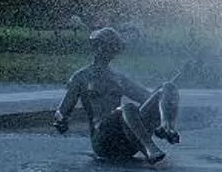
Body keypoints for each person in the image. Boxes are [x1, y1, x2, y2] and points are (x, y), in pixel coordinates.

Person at [54, 27, 182, 164]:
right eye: (106, 45)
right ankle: (150, 149)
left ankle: (166, 128)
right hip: (103, 142)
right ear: (96, 46)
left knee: (167, 87)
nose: (110, 50)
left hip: (127, 140)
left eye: (113, 47)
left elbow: (148, 98)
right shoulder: (81, 77)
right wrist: (61, 120)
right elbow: (62, 110)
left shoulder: (118, 78)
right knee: (127, 108)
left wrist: (165, 96)